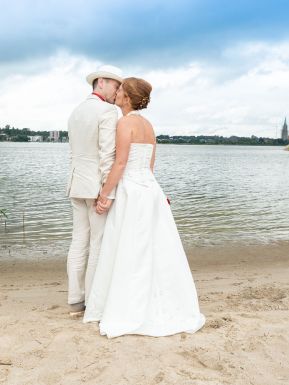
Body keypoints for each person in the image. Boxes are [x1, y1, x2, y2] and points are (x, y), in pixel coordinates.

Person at [83, 77, 205, 337]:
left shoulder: (124, 123)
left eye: (120, 90)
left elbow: (120, 164)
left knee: (129, 248)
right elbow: (150, 167)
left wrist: (104, 195)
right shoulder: (148, 125)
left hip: (131, 192)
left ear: (127, 97)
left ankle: (128, 306)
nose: (116, 93)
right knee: (152, 247)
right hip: (150, 190)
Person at [66, 65, 123, 317]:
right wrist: (106, 193)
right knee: (97, 243)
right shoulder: (108, 111)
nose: (117, 91)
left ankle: (74, 300)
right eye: (115, 85)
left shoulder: (76, 111)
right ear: (101, 82)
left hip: (75, 182)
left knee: (79, 241)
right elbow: (107, 155)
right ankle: (92, 300)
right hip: (94, 186)